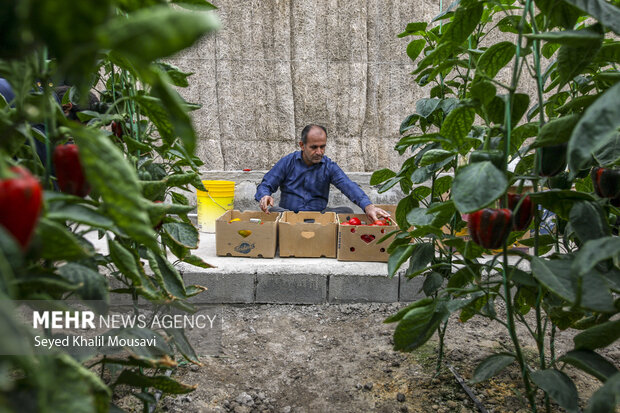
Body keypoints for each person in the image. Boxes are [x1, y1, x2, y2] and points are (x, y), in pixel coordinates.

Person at [255, 124, 391, 223]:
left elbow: (348, 185)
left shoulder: (329, 166)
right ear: (302, 145)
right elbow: (266, 184)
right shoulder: (288, 162)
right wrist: (265, 196)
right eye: (314, 147)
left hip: (319, 218)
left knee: (347, 212)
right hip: (289, 217)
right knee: (272, 213)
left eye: (322, 147)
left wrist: (368, 206)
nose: (319, 152)